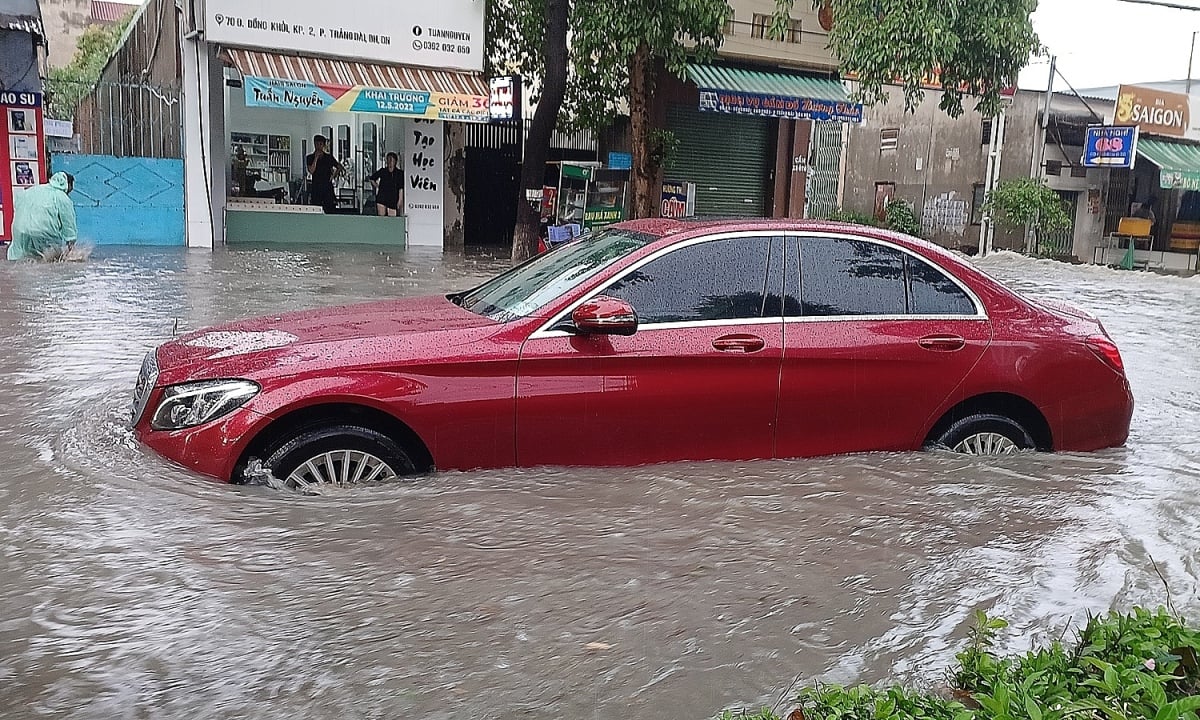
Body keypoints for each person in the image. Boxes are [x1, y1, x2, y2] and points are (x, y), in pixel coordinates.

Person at [7, 172, 77, 261]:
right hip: (43, 234)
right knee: (48, 262)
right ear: (67, 185)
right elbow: (68, 223)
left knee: (21, 261)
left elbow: (17, 206)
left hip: (19, 232)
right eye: (70, 190)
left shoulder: (30, 191)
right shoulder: (62, 197)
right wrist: (71, 245)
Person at [305, 134, 343, 214]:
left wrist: (333, 176)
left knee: (329, 209)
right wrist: (315, 158)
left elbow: (339, 167)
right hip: (316, 187)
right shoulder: (310, 157)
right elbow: (311, 171)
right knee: (315, 209)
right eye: (316, 144)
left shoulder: (328, 157)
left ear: (323, 145)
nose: (318, 146)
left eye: (320, 144)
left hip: (327, 187)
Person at [368, 152, 403, 217]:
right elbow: (372, 179)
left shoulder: (399, 173)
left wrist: (400, 200)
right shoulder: (383, 171)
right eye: (388, 160)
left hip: (393, 198)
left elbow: (400, 188)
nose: (389, 162)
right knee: (381, 217)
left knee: (392, 218)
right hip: (382, 197)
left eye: (391, 160)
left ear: (395, 161)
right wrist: (378, 186)